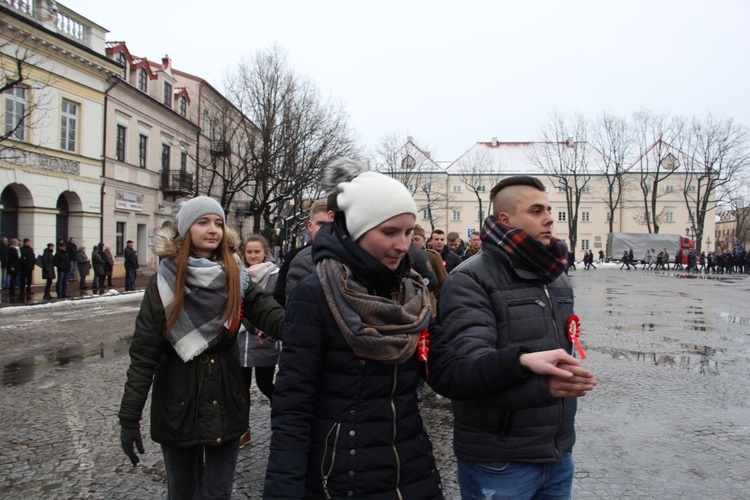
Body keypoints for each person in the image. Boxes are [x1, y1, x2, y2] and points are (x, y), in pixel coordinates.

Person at [263, 157, 445, 498]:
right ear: (358, 230)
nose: (404, 245)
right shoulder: (314, 295)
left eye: (408, 232)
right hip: (341, 477)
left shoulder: (410, 293)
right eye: (389, 232)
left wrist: (519, 361)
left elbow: (448, 369)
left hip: (410, 472)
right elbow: (293, 409)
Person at [434, 175, 597, 499]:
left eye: (549, 209)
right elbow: (469, 369)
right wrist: (544, 386)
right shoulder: (469, 278)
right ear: (505, 219)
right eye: (537, 211)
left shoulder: (556, 277)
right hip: (499, 461)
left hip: (557, 454)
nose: (550, 218)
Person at [118, 196, 285, 499]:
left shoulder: (237, 275)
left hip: (226, 400)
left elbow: (270, 313)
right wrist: (129, 418)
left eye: (219, 223)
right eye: (203, 222)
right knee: (182, 493)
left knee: (218, 494)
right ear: (185, 229)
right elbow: (143, 355)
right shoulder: (163, 282)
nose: (213, 229)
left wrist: (309, 326)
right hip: (177, 404)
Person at [237, 234, 281, 448]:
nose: (253, 256)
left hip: (264, 341)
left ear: (265, 252)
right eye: (249, 252)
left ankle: (281, 417)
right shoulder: (237, 274)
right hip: (240, 341)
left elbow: (276, 304)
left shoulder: (275, 275)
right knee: (241, 388)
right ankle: (243, 430)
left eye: (257, 251)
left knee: (265, 384)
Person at [273, 199, 332, 306]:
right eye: (321, 224)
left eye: (330, 224)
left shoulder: (348, 256)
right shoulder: (292, 258)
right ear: (310, 226)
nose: (325, 229)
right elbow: (280, 299)